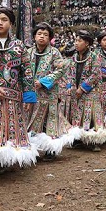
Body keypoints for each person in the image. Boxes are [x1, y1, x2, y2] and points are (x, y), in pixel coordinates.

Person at [0, 5, 38, 172]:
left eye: (4, 20)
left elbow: (27, 72)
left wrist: (29, 96)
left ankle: (5, 158)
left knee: (10, 124)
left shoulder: (19, 46)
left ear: (11, 23)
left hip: (12, 96)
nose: (0, 23)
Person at [26, 22, 75, 160]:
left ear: (49, 38)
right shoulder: (28, 52)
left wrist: (43, 82)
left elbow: (61, 69)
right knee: (31, 118)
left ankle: (51, 150)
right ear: (34, 36)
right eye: (39, 34)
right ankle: (33, 148)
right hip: (32, 93)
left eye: (45, 35)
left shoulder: (54, 52)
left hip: (48, 93)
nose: (42, 37)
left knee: (50, 120)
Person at [65, 30, 106, 151]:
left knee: (92, 114)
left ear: (87, 43)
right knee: (77, 113)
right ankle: (78, 138)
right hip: (76, 90)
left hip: (92, 91)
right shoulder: (74, 57)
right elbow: (70, 73)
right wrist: (70, 87)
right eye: (75, 40)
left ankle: (94, 140)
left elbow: (95, 74)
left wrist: (83, 88)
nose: (76, 43)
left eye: (79, 41)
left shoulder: (95, 56)